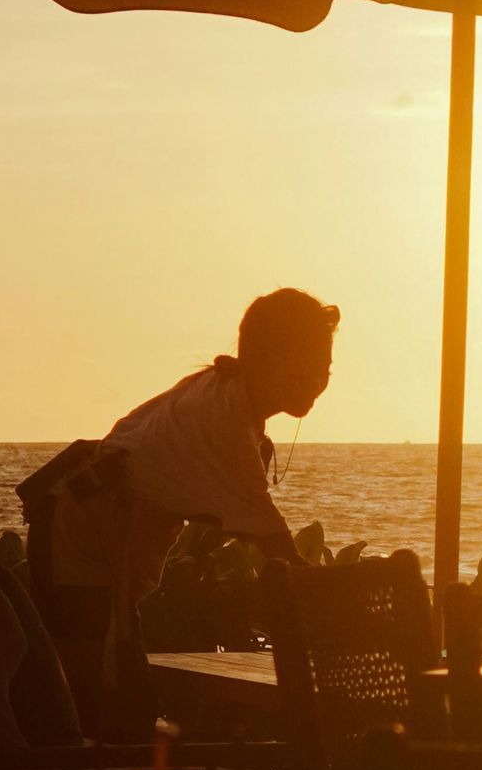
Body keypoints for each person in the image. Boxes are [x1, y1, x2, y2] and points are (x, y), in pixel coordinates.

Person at [19, 289, 339, 718]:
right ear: (268, 358)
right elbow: (277, 550)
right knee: (98, 705)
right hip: (79, 538)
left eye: (326, 366)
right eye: (309, 364)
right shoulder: (224, 420)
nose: (319, 377)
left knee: (112, 698)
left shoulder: (226, 394)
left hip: (88, 528)